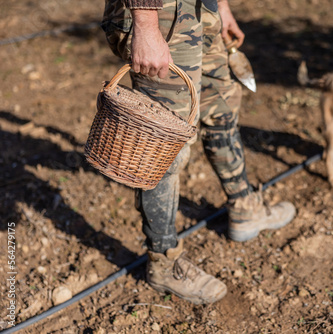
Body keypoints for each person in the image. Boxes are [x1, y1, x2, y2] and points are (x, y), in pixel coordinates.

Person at [101, 0, 296, 304]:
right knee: (164, 141)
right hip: (159, 13)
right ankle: (164, 261)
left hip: (198, 7)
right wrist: (146, 25)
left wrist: (220, 6)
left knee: (221, 104)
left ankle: (244, 207)